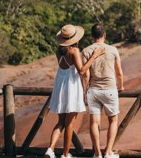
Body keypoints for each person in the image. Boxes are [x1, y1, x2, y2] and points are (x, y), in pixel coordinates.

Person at [45, 24, 105, 158]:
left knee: (60, 122)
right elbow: (82, 71)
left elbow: (65, 68)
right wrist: (94, 56)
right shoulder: (74, 51)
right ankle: (66, 154)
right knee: (70, 123)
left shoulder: (58, 52)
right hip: (72, 87)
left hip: (60, 86)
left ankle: (50, 149)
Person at [83, 23, 124, 158]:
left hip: (93, 90)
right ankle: (108, 152)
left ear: (91, 36)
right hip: (110, 89)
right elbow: (119, 72)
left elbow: (86, 75)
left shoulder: (86, 51)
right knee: (113, 121)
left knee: (94, 122)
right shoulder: (113, 50)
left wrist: (84, 91)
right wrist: (121, 86)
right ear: (104, 35)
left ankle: (97, 153)